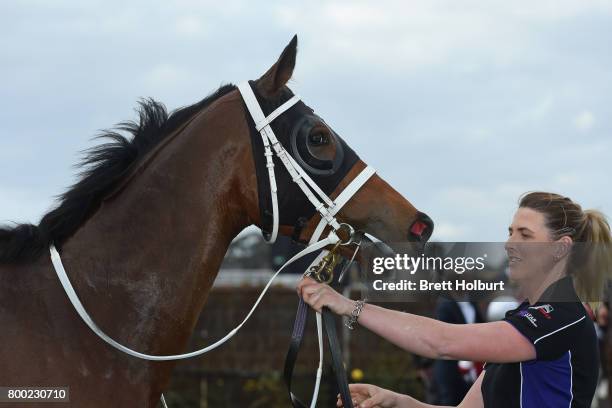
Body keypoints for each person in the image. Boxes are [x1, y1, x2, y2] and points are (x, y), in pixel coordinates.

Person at [297, 192, 612, 407]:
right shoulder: (527, 320)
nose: (509, 244)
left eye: (525, 235)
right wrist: (397, 401)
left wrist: (349, 307)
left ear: (561, 248)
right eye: (510, 231)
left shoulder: (561, 317)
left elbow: (442, 342)